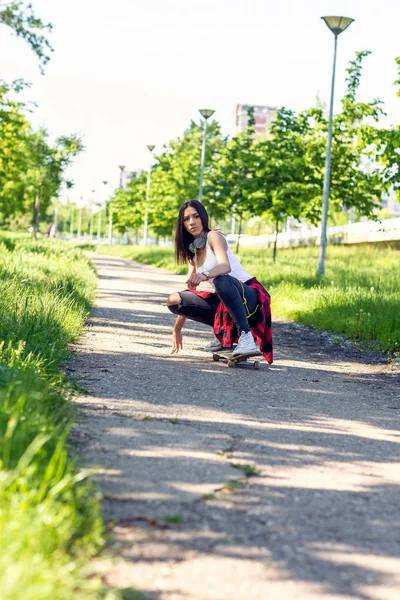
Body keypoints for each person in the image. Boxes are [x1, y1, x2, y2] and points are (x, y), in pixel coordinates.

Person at [167, 200, 273, 363]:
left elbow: (225, 266)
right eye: (186, 219)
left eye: (196, 216)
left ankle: (246, 338)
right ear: (182, 225)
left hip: (250, 298)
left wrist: (204, 275)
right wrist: (177, 329)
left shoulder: (213, 236)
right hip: (227, 301)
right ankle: (225, 333)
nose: (192, 222)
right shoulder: (193, 253)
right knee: (175, 300)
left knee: (221, 281)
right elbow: (191, 290)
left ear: (203, 217)